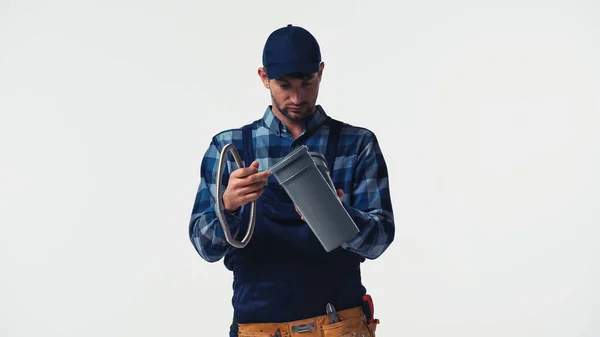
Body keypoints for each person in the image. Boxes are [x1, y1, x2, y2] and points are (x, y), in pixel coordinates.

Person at [188, 24, 395, 337]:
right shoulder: (230, 149)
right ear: (263, 77)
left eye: (306, 82)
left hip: (340, 327)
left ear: (320, 73)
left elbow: (379, 239)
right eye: (284, 85)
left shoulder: (356, 144)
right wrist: (227, 205)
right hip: (260, 330)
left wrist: (336, 216)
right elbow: (205, 247)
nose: (297, 97)